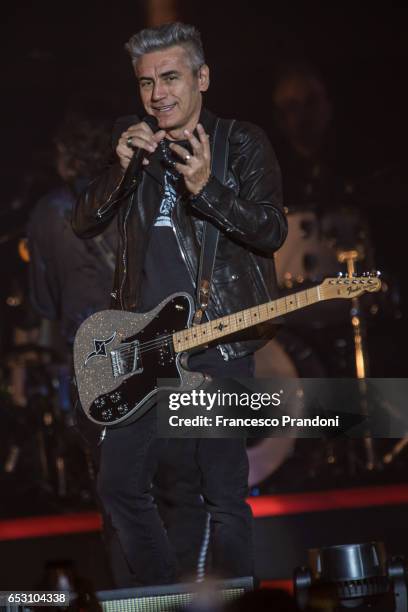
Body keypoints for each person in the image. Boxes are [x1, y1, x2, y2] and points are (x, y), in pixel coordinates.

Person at [73, 22, 287, 586]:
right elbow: (83, 222)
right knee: (119, 485)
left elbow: (271, 230)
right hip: (147, 345)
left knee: (221, 492)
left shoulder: (240, 142)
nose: (157, 94)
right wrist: (118, 171)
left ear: (202, 77)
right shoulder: (137, 149)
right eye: (146, 83)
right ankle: (167, 594)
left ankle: (234, 598)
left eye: (170, 78)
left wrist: (207, 189)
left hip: (218, 340)